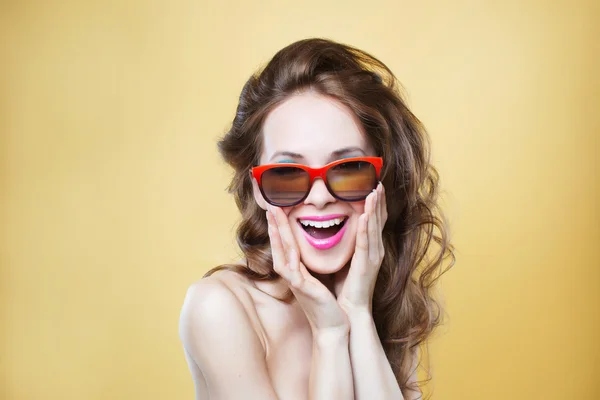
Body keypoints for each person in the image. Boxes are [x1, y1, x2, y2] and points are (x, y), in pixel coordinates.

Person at [179, 37, 455, 400]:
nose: (321, 197)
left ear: (381, 181)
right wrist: (330, 334)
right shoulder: (220, 309)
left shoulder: (383, 297)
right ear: (259, 188)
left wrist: (357, 314)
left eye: (349, 169)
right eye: (287, 174)